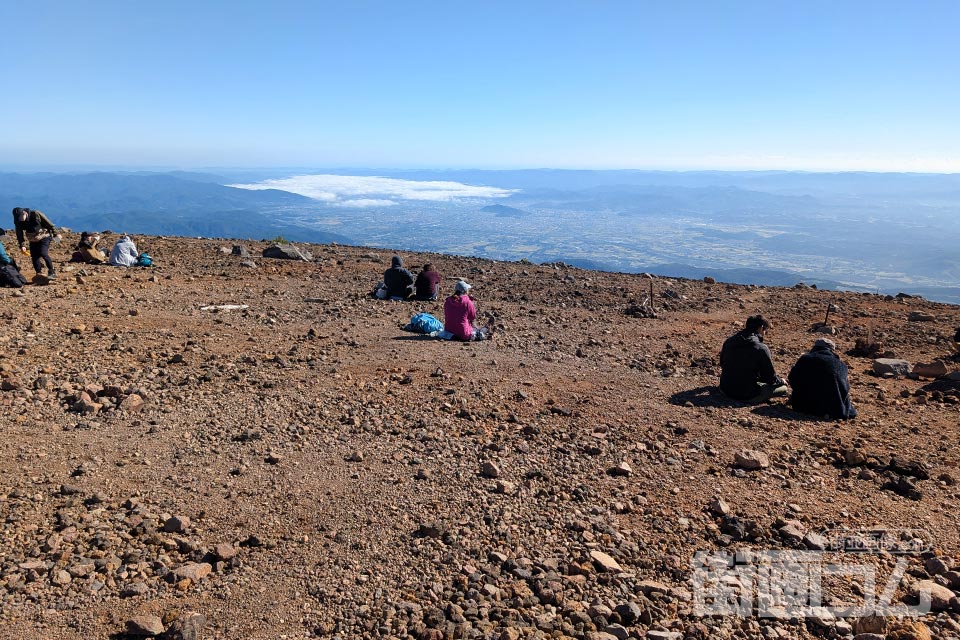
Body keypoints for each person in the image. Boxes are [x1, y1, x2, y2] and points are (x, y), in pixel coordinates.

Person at [719, 314, 787, 403]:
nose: (764, 334)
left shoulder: (729, 341)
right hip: (746, 395)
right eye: (765, 331)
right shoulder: (761, 348)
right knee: (783, 388)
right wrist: (781, 380)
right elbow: (770, 378)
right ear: (761, 328)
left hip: (724, 389)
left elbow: (722, 364)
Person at [788, 338, 857, 419]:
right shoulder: (842, 365)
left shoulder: (805, 359)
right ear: (832, 350)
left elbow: (793, 380)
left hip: (805, 407)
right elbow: (845, 388)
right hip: (836, 410)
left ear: (815, 347)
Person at [13, 207, 60, 280]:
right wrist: (22, 245)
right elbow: (19, 233)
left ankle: (52, 272)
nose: (20, 219)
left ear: (24, 213)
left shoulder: (35, 214)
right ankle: (39, 273)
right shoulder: (18, 221)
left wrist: (56, 235)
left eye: (20, 217)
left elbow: (49, 224)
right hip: (33, 239)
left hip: (44, 236)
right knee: (34, 256)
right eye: (18, 218)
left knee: (43, 253)